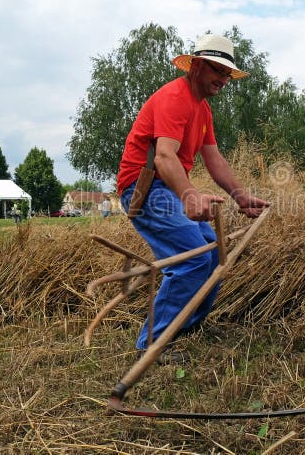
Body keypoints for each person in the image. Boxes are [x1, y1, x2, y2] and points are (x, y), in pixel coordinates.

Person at [116, 33, 270, 362]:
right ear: (196, 66)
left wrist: (241, 197)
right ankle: (153, 344)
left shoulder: (202, 111)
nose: (222, 80)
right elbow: (163, 158)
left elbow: (214, 160)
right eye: (217, 70)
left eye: (227, 74)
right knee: (193, 259)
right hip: (143, 189)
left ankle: (185, 326)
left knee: (214, 256)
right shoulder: (175, 98)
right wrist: (189, 195)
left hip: (167, 187)